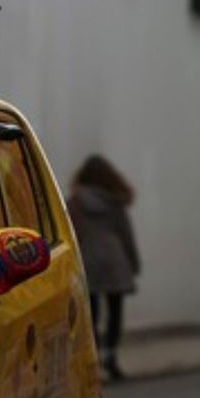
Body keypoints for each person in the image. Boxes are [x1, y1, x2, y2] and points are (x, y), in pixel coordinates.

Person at [68, 155, 140, 381]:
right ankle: (112, 356)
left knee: (92, 314)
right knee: (115, 313)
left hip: (87, 260)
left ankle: (95, 357)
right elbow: (125, 234)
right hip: (114, 259)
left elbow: (71, 234)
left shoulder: (74, 203)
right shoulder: (115, 203)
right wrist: (133, 262)